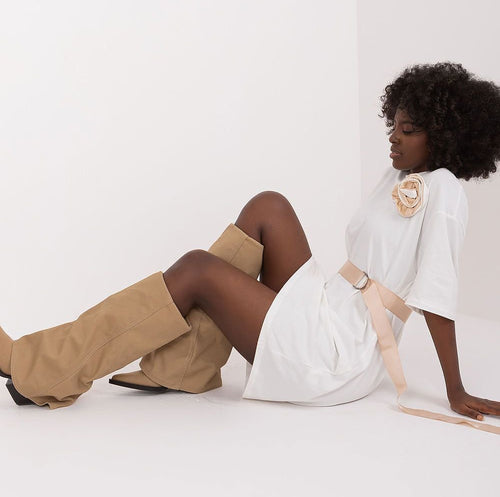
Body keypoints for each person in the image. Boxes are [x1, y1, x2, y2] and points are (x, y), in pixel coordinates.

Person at [1, 62, 499, 431]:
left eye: (407, 130)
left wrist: (455, 391)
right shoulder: (402, 174)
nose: (393, 137)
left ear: (445, 137)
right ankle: (187, 365)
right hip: (328, 308)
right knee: (269, 206)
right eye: (393, 124)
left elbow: (436, 296)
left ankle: (40, 366)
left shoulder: (444, 193)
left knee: (196, 269)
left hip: (337, 354)